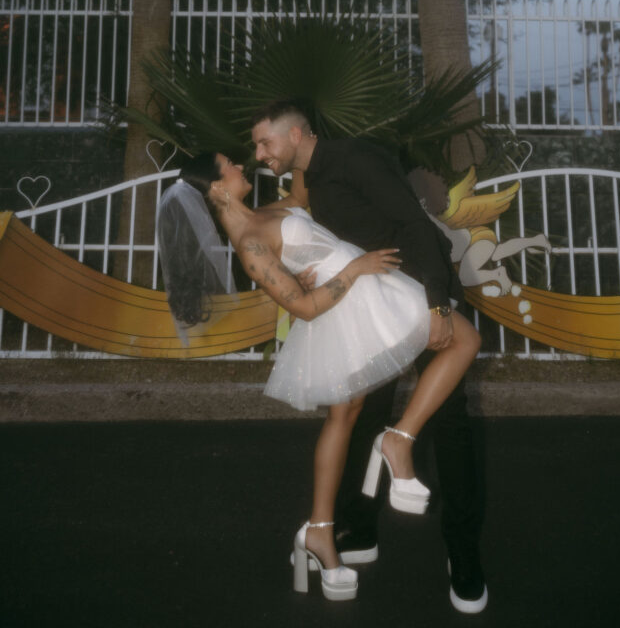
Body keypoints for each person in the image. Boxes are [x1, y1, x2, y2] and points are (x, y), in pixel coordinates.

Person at [156, 152, 480, 604]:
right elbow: (303, 308)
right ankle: (384, 458)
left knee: (347, 414)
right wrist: (356, 268)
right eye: (228, 164)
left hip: (365, 297)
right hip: (349, 300)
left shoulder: (268, 211)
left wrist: (290, 142)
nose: (239, 164)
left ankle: (327, 524)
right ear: (215, 188)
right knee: (454, 345)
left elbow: (305, 188)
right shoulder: (249, 244)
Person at [251, 100, 489, 614]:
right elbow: (310, 235)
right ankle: (359, 527)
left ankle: (464, 553)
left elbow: (415, 225)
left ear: (295, 135)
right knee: (363, 413)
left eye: (265, 142)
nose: (258, 153)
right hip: (371, 303)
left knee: (451, 424)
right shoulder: (306, 183)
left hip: (423, 294)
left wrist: (436, 305)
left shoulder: (354, 158)